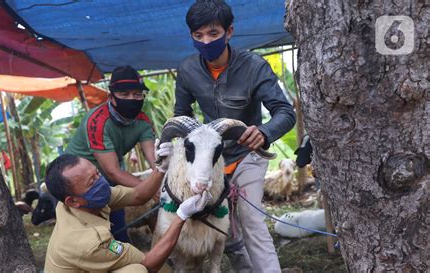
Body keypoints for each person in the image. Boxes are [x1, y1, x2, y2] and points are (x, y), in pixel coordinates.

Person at [174, 1, 296, 272]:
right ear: (192, 35)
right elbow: (181, 115)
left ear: (229, 32)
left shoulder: (254, 66)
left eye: (213, 34)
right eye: (198, 36)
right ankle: (242, 267)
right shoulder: (187, 70)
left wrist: (264, 132)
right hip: (211, 159)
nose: (206, 41)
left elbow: (285, 112)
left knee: (251, 219)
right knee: (217, 222)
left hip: (249, 154)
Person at [44, 149, 212, 273]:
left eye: (97, 174)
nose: (100, 182)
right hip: (88, 257)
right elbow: (149, 262)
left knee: (164, 270)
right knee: (138, 270)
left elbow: (138, 196)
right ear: (72, 201)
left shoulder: (80, 202)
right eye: (91, 182)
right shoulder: (89, 242)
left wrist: (161, 168)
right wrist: (181, 215)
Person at [65, 65, 156, 242]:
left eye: (137, 95)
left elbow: (155, 163)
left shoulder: (143, 122)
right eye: (124, 95)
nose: (132, 99)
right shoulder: (97, 122)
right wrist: (149, 190)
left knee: (117, 228)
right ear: (111, 97)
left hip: (107, 177)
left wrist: (161, 183)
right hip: (78, 178)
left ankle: (121, 255)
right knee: (89, 234)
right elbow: (112, 171)